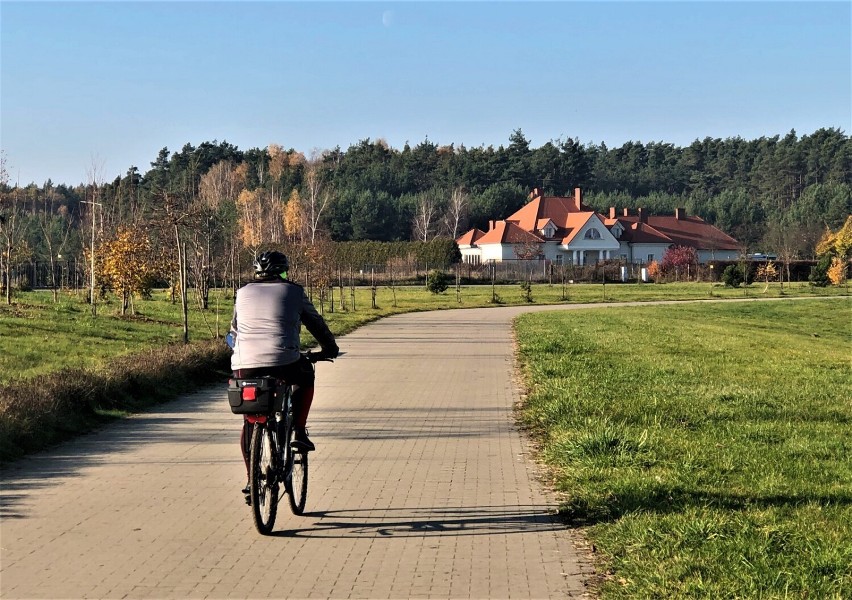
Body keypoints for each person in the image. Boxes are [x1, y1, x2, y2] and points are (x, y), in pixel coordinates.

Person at [229, 250, 338, 496]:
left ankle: (251, 480)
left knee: (250, 420)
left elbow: (233, 332)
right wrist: (330, 348)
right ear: (283, 272)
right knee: (305, 375)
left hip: (244, 363)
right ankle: (299, 429)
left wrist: (238, 353)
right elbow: (315, 322)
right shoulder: (294, 291)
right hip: (284, 360)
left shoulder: (242, 293)